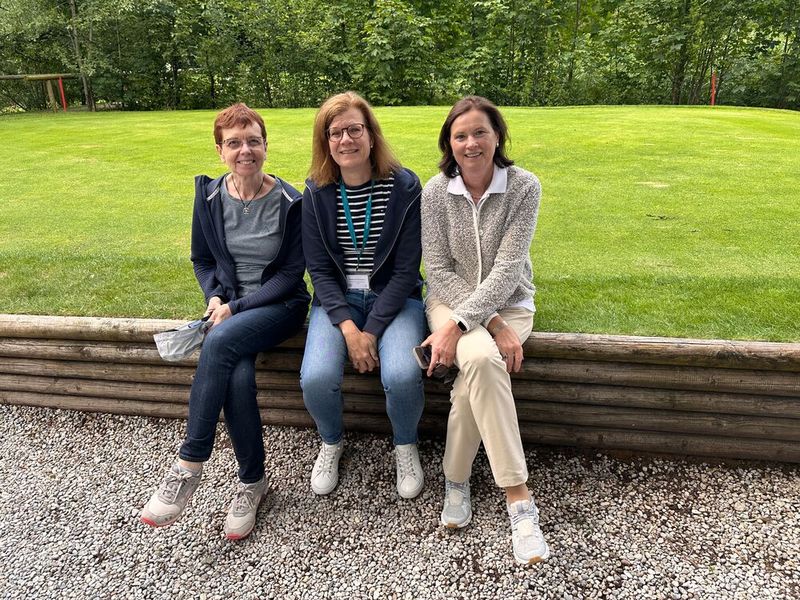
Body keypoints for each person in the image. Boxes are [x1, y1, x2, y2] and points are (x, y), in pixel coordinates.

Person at [141, 103, 310, 540]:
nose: (245, 150)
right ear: (220, 150)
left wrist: (233, 309)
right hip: (229, 307)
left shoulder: (292, 202)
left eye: (253, 140)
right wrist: (215, 295)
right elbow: (202, 259)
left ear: (266, 146)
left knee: (218, 344)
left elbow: (292, 275)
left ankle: (189, 462)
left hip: (280, 307)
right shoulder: (210, 197)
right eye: (234, 143)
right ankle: (253, 483)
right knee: (236, 379)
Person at [420, 96, 549, 564]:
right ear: (449, 144)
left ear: (498, 136)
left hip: (511, 304)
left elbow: (508, 269)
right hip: (450, 305)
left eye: (480, 133)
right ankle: (519, 500)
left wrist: (487, 321)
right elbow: (437, 270)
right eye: (460, 136)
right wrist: (477, 322)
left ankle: (459, 481)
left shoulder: (524, 187)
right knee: (479, 355)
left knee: (474, 363)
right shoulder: (435, 191)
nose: (471, 143)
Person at [301, 91, 426, 499]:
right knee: (316, 377)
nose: (345, 140)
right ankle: (331, 442)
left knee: (403, 374)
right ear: (326, 142)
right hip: (338, 302)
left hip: (395, 298)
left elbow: (407, 269)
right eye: (335, 133)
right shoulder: (317, 192)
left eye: (354, 129)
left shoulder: (404, 186)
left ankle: (405, 445)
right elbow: (318, 269)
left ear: (371, 135)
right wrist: (351, 329)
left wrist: (369, 331)